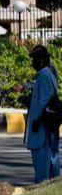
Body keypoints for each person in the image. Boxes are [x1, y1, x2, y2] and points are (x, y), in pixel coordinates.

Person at [26, 44, 60, 183]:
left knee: (42, 170)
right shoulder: (46, 75)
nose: (32, 62)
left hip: (41, 131)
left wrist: (37, 121)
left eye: (34, 59)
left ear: (40, 60)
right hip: (44, 129)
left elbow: (44, 103)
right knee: (51, 163)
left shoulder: (44, 77)